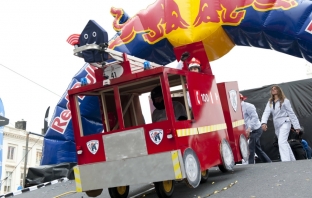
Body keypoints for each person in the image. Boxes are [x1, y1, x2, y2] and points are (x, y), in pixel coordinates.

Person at [261, 85, 301, 162]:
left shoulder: (285, 101)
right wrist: (263, 123)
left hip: (285, 122)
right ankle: (292, 160)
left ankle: (285, 162)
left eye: (275, 89)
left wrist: (297, 127)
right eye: (272, 89)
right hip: (277, 125)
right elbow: (266, 112)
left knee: (281, 142)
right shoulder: (270, 102)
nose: (273, 90)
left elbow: (291, 113)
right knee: (284, 142)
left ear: (279, 90)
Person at [240, 93, 271, 164]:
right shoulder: (237, 109)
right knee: (257, 149)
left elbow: (254, 117)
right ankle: (269, 162)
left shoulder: (248, 106)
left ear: (241, 99)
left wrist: (249, 128)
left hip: (256, 130)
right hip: (250, 130)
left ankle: (250, 165)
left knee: (251, 147)